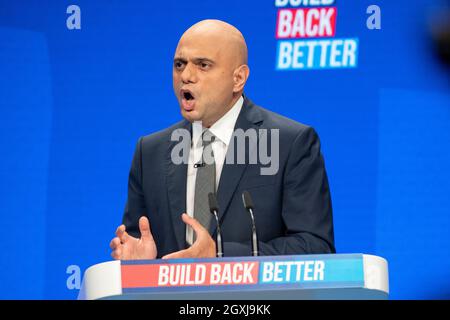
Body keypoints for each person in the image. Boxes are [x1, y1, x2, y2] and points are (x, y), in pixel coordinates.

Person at [109, 19, 335, 260]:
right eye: (179, 64)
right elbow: (138, 240)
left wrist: (219, 254)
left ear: (238, 78)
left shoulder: (289, 143)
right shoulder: (150, 152)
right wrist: (138, 261)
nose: (186, 75)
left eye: (203, 65)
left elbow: (314, 246)